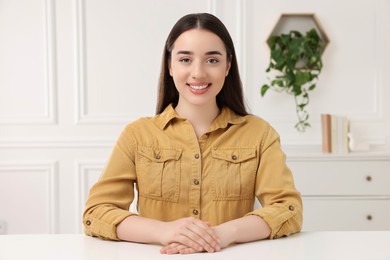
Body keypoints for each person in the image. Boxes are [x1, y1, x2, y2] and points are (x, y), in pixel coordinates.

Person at [83, 13, 302, 254]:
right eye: (185, 59)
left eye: (212, 60)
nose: (198, 73)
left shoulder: (260, 134)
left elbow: (288, 209)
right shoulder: (137, 135)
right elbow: (97, 212)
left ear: (228, 66)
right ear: (170, 65)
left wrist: (223, 234)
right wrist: (164, 231)